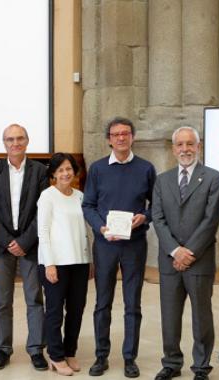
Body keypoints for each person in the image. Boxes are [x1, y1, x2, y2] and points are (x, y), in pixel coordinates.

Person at [82, 117, 156, 378]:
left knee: (132, 303)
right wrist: (101, 227)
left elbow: (155, 205)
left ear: (133, 137)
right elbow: (88, 205)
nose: (121, 138)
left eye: (126, 133)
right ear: (109, 139)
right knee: (103, 302)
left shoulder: (146, 168)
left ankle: (129, 358)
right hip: (105, 245)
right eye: (116, 134)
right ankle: (101, 356)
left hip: (134, 245)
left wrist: (144, 217)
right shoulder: (98, 169)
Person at [151, 127, 219, 380]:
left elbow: (210, 219)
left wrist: (188, 252)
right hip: (170, 261)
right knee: (169, 315)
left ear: (199, 146)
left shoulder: (213, 178)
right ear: (173, 149)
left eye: (190, 144)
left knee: (201, 316)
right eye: (180, 145)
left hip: (199, 260)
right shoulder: (162, 180)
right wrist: (174, 250)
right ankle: (171, 363)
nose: (185, 149)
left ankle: (201, 367)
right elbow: (157, 218)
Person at [0, 124, 49, 371]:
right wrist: (7, 241)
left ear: (27, 141)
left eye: (20, 138)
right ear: (4, 143)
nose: (15, 143)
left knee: (34, 299)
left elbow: (43, 208)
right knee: (2, 301)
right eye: (10, 139)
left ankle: (35, 349)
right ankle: (3, 349)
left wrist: (24, 242)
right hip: (2, 247)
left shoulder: (40, 171)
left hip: (31, 245)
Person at [37, 153, 91, 377]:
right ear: (53, 174)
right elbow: (43, 232)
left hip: (79, 262)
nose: (65, 173)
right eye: (60, 170)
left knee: (76, 310)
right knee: (55, 312)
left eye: (68, 168)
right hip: (55, 263)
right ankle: (56, 356)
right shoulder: (47, 197)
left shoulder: (80, 196)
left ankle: (70, 351)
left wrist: (90, 260)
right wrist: (49, 264)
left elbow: (85, 231)